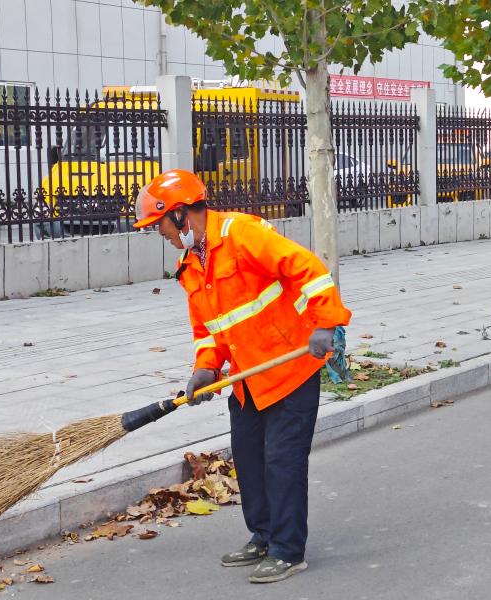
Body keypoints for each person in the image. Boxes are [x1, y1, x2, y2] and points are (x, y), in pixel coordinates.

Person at [134, 169, 352, 583]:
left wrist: (326, 323)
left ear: (180, 215)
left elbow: (307, 268)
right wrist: (205, 368)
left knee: (282, 464)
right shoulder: (190, 265)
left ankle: (288, 551)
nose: (157, 233)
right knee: (249, 462)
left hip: (291, 368)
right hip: (248, 379)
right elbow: (208, 329)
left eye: (158, 224)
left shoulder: (241, 233)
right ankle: (263, 536)